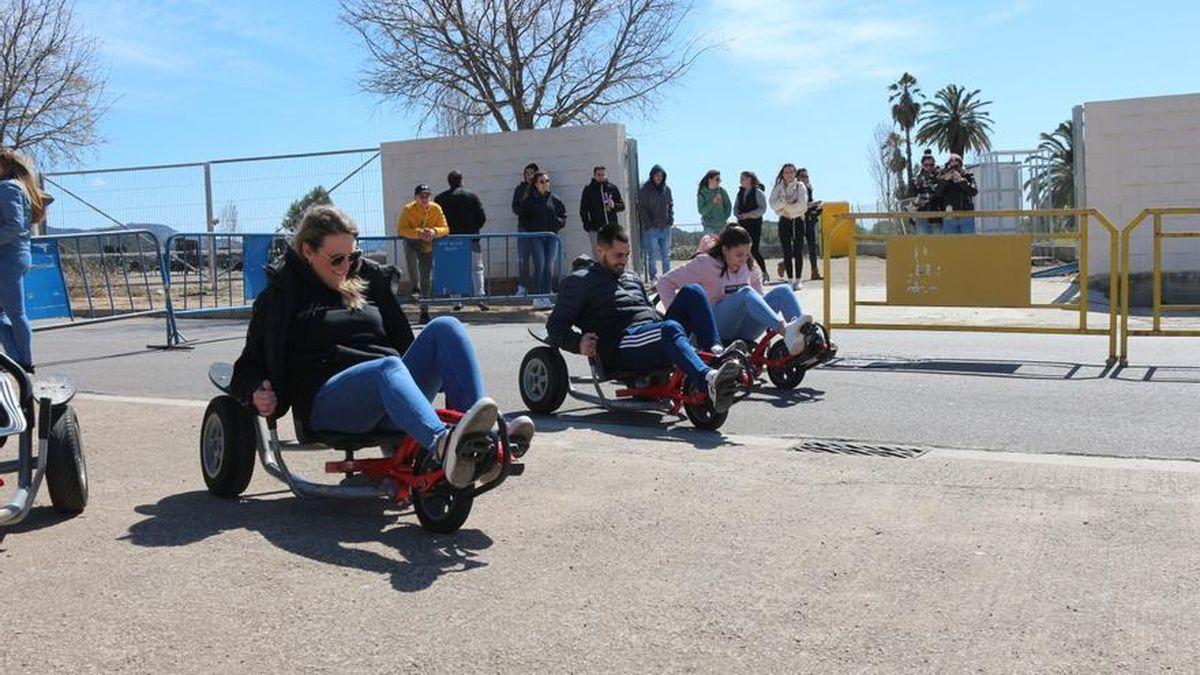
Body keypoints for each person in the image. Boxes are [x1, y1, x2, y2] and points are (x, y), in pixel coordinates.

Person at [230, 205, 534, 488]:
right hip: (330, 403)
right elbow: (246, 367)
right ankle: (445, 446)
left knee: (446, 328)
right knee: (386, 368)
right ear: (308, 251)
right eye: (337, 259)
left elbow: (404, 344)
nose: (346, 267)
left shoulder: (366, 282)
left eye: (352, 256)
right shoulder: (281, 299)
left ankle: (480, 442)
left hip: (390, 390)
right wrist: (256, 390)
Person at [545, 225, 744, 414]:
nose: (624, 261)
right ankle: (708, 380)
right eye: (618, 255)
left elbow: (648, 311)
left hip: (651, 334)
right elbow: (554, 326)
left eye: (627, 255)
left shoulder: (631, 278)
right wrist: (578, 343)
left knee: (693, 291)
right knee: (670, 328)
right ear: (600, 251)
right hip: (621, 344)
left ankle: (717, 355)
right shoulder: (580, 281)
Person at [657, 225, 819, 356]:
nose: (743, 260)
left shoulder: (748, 264)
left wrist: (766, 318)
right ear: (725, 250)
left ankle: (807, 338)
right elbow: (664, 283)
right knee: (744, 293)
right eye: (739, 255)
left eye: (747, 254)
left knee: (783, 290)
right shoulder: (704, 264)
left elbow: (759, 299)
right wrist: (680, 322)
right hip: (715, 328)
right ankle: (785, 330)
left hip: (745, 328)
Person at [0, 148, 45, 374]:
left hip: (8, 257)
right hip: (14, 255)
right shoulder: (19, 188)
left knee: (15, 313)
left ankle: (22, 361)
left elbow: (14, 226)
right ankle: (16, 359)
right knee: (8, 313)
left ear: (5, 166)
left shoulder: (7, 187)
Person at [435, 170, 489, 312]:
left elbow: (437, 220)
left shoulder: (440, 199)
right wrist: (473, 228)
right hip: (471, 238)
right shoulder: (472, 197)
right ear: (461, 180)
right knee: (477, 269)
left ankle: (456, 301)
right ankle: (480, 298)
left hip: (450, 240)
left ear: (449, 181)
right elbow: (482, 218)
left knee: (454, 270)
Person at [396, 183, 449, 324]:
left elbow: (446, 228)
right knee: (408, 251)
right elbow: (401, 230)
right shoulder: (408, 209)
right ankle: (414, 285)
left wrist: (434, 232)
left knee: (426, 278)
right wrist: (418, 233)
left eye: (427, 195)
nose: (424, 198)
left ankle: (424, 311)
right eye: (421, 195)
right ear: (415, 197)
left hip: (428, 246)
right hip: (413, 242)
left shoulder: (436, 208)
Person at [520, 171, 566, 309]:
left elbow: (563, 215)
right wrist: (532, 231)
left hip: (552, 237)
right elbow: (523, 219)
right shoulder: (529, 200)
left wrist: (557, 223)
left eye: (547, 181)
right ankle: (537, 297)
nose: (545, 184)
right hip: (536, 237)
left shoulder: (554, 199)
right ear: (535, 184)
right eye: (542, 181)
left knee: (548, 267)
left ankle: (546, 295)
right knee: (539, 265)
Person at [769, 163, 807, 288]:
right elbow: (773, 204)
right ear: (782, 174)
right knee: (786, 250)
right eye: (786, 172)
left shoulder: (800, 186)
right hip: (784, 220)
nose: (789, 174)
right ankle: (790, 279)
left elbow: (802, 205)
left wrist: (787, 208)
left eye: (791, 171)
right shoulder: (778, 187)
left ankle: (798, 279)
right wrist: (785, 202)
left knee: (798, 250)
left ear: (795, 173)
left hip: (797, 220)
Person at [638, 165, 674, 283]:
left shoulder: (666, 189)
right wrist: (649, 224)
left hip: (665, 228)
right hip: (651, 228)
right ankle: (653, 278)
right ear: (652, 176)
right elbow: (642, 208)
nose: (659, 178)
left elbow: (671, 205)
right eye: (656, 175)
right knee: (652, 255)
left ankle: (667, 278)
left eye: (661, 176)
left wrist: (670, 219)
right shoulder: (645, 189)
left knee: (666, 255)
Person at [511, 162, 540, 297]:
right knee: (523, 259)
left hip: (539, 229)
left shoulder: (540, 187)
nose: (529, 176)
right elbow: (515, 207)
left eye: (532, 173)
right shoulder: (519, 189)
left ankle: (539, 288)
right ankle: (522, 286)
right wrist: (523, 213)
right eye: (527, 174)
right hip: (523, 228)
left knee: (540, 260)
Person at [734, 171, 769, 281]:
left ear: (749, 179)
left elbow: (762, 209)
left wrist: (749, 215)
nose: (740, 180)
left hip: (755, 224)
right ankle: (743, 275)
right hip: (742, 225)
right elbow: (735, 208)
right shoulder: (740, 193)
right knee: (741, 249)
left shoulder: (758, 192)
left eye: (743, 178)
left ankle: (764, 272)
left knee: (754, 249)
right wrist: (738, 215)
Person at [579, 165, 625, 250]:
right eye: (598, 174)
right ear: (594, 175)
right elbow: (583, 210)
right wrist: (588, 225)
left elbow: (622, 206)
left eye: (603, 174)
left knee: (612, 253)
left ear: (606, 175)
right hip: (596, 229)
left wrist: (614, 205)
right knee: (599, 255)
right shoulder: (588, 190)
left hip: (612, 229)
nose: (601, 177)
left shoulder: (612, 188)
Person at [935, 153, 978, 234]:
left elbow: (974, 191)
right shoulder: (943, 177)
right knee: (951, 245)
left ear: (961, 166)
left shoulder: (968, 176)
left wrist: (961, 181)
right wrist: (945, 181)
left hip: (966, 215)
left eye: (956, 167)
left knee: (968, 243)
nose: (953, 169)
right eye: (951, 167)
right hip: (949, 216)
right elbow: (937, 193)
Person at [797, 167, 823, 281]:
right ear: (797, 177)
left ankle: (815, 271)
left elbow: (809, 204)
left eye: (806, 176)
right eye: (802, 176)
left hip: (809, 219)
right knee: (798, 246)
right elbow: (799, 205)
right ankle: (783, 263)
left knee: (812, 246)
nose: (805, 178)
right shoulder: (796, 189)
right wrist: (812, 204)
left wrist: (817, 208)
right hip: (799, 219)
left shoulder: (809, 188)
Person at [910, 150, 942, 234]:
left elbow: (938, 192)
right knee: (923, 243)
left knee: (938, 243)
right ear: (922, 165)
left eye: (931, 165)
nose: (929, 167)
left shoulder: (940, 175)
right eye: (926, 165)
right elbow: (916, 188)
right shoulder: (917, 177)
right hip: (921, 214)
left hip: (936, 214)